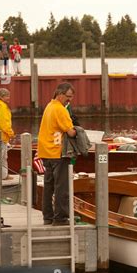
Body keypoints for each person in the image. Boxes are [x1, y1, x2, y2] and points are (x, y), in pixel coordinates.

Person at [37, 83, 77, 225]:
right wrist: (79, 131)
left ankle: (47, 216)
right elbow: (70, 131)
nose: (69, 100)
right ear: (60, 94)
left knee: (49, 186)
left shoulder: (49, 106)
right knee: (62, 187)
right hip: (57, 152)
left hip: (45, 151)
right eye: (68, 97)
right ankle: (60, 218)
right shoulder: (60, 109)